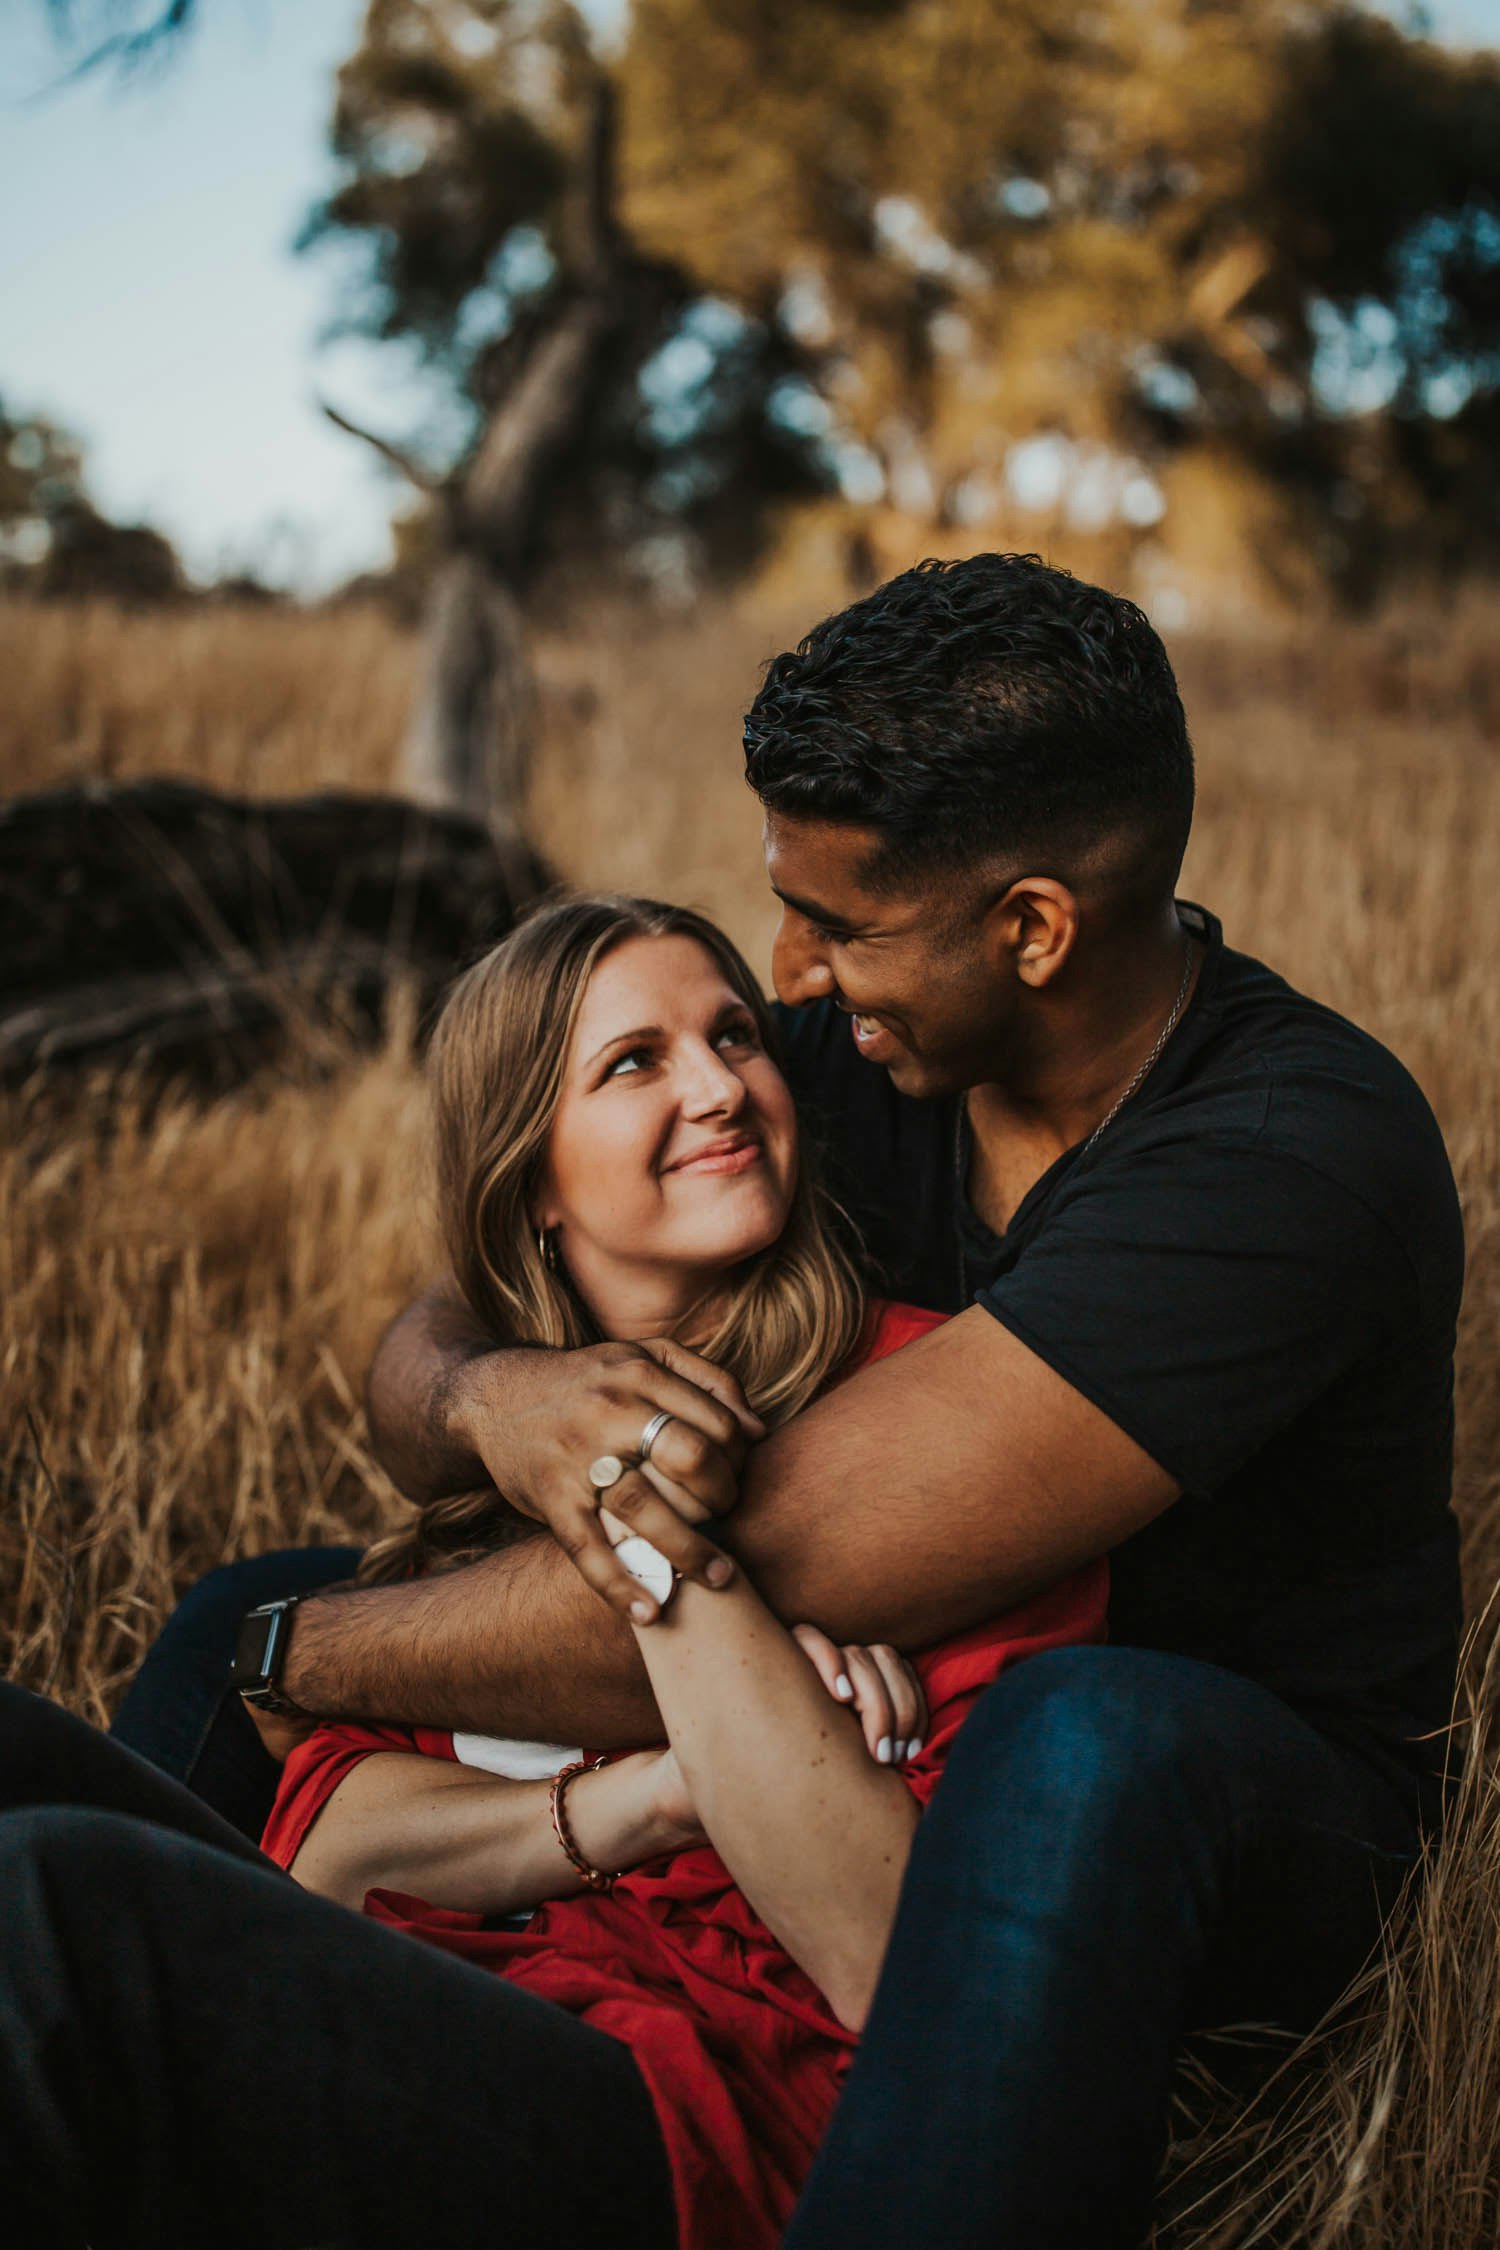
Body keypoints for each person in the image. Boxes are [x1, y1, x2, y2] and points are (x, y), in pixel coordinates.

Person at [113, 552, 1463, 2249]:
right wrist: (495, 1395)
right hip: (880, 1700)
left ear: (1032, 927)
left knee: (1088, 1737)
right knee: (226, 1630)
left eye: (837, 923)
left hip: (1231, 1805)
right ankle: (196, 2031)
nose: (790, 972)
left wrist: (298, 1664)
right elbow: (451, 1311)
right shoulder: (869, 1051)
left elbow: (765, 1555)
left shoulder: (1288, 1154)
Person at [1, 892, 1104, 2250]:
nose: (718, 1086)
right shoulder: (510, 1459)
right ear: (533, 1180)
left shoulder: (933, 1407)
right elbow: (331, 1856)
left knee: (51, 1908)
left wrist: (649, 1509)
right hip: (442, 2005)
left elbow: (898, 1959)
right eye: (635, 1060)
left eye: (735, 1035)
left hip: (709, 2111)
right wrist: (661, 1788)